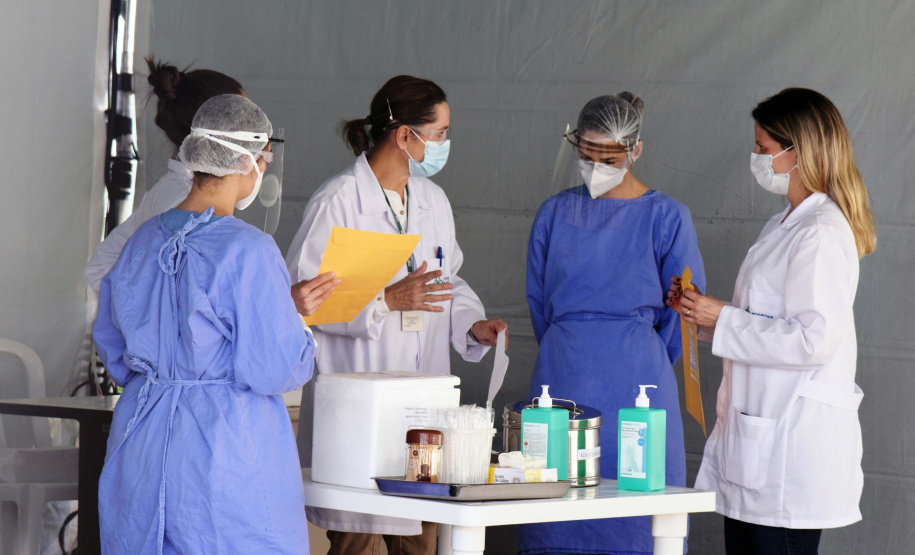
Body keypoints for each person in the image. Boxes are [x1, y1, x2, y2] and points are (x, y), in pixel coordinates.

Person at [286, 75, 507, 555]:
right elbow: (302, 302)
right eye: (441, 132)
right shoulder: (339, 200)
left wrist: (471, 321)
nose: (446, 143)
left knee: (422, 542)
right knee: (358, 542)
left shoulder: (433, 201)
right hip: (357, 410)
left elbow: (448, 280)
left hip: (422, 409)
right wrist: (386, 301)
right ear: (405, 135)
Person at [93, 94, 320, 554]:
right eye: (264, 158)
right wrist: (299, 327)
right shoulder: (249, 250)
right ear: (248, 161)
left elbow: (114, 351)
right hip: (224, 450)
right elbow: (274, 368)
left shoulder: (140, 242)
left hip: (140, 441)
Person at [669, 88, 876, 555]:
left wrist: (722, 318)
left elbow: (813, 341)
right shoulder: (784, 225)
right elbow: (762, 322)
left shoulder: (821, 232)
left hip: (791, 449)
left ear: (797, 153)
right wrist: (701, 316)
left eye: (763, 149)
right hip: (760, 442)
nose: (756, 158)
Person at [523, 92, 706, 554]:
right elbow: (539, 305)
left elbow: (682, 316)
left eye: (609, 157)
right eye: (586, 155)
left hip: (639, 387)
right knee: (556, 511)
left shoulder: (666, 217)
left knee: (637, 514)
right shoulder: (554, 214)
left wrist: (634, 353)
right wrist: (574, 345)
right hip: (560, 381)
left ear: (636, 150)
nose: (595, 166)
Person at [85, 56, 335, 313]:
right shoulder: (186, 206)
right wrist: (278, 304)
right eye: (242, 118)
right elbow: (196, 310)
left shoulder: (178, 197)